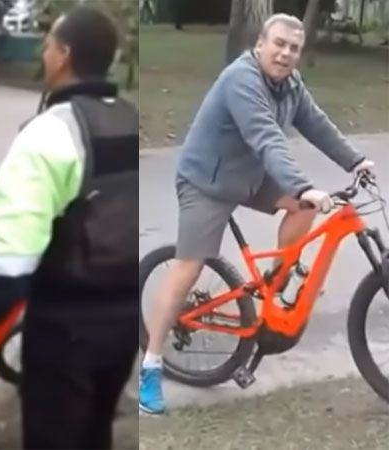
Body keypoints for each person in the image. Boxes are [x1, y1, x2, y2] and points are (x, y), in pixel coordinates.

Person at [138, 13, 376, 415]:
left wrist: (354, 161)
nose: (285, 53)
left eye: (294, 48)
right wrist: (301, 185)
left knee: (304, 209)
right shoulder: (241, 80)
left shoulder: (290, 83)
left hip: (250, 175)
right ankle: (151, 363)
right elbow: (265, 137)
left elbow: (316, 123)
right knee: (188, 268)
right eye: (278, 44)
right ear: (260, 44)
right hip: (207, 181)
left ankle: (277, 282)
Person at [0, 6, 138, 450]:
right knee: (96, 433)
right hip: (127, 323)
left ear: (64, 55)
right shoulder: (132, 117)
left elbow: (10, 263)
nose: (42, 51)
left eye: (48, 43)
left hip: (66, 331)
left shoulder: (50, 133)